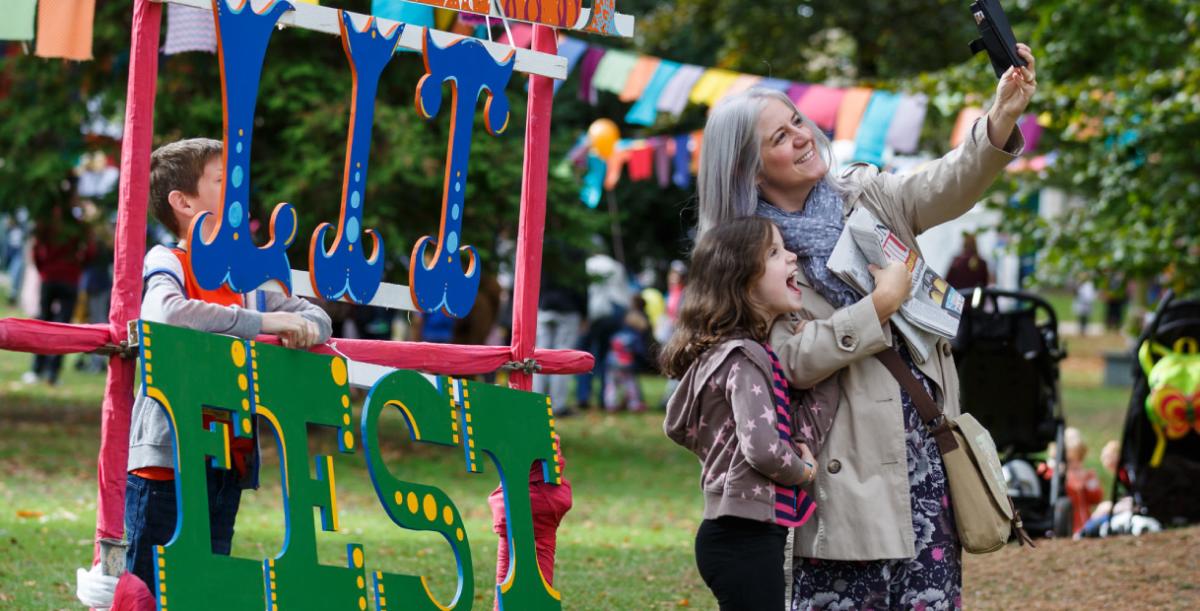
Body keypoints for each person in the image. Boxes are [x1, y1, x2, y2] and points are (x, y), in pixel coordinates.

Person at [696, 44, 1036, 609]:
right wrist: (876, 307)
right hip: (841, 475)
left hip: (926, 454)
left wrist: (1000, 116)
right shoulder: (746, 256)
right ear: (749, 172)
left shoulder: (864, 195)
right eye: (779, 138)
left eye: (797, 121)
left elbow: (944, 183)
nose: (802, 136)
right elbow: (786, 361)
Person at [123, 138, 332, 590]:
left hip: (229, 454)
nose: (236, 189)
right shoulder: (169, 259)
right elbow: (167, 312)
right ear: (182, 202)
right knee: (148, 587)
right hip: (168, 455)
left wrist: (300, 328)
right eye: (221, 181)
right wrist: (262, 321)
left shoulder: (245, 277)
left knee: (205, 586)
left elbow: (316, 316)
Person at [662, 217, 819, 611]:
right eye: (775, 252)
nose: (792, 256)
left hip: (733, 535)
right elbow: (764, 450)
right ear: (745, 281)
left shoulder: (728, 353)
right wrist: (803, 470)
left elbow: (677, 424)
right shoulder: (745, 357)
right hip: (743, 539)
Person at [25, 181, 97, 386]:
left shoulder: (46, 222)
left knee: (42, 323)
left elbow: (36, 249)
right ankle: (53, 374)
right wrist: (78, 267)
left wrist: (44, 270)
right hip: (70, 279)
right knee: (62, 327)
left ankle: (36, 369)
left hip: (50, 278)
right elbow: (90, 250)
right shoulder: (78, 224)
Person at [604, 297, 650, 412]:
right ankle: (634, 404)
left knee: (611, 384)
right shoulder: (635, 336)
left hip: (612, 362)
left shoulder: (618, 334)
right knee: (630, 384)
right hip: (626, 363)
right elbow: (639, 350)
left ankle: (610, 404)